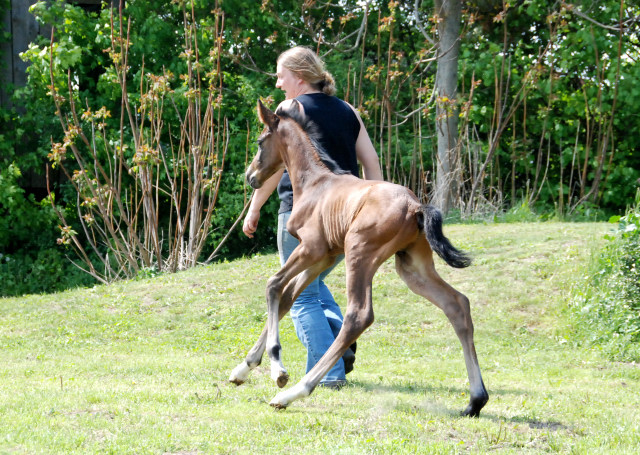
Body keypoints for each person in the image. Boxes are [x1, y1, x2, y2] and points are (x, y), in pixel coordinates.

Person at [242, 46, 383, 388]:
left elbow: (274, 167)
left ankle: (330, 374)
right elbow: (372, 164)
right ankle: (340, 343)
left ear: (299, 76)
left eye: (281, 75)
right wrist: (370, 213)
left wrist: (254, 206)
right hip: (345, 218)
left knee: (300, 294)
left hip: (300, 213)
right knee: (314, 286)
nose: (278, 84)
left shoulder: (289, 110)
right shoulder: (350, 111)